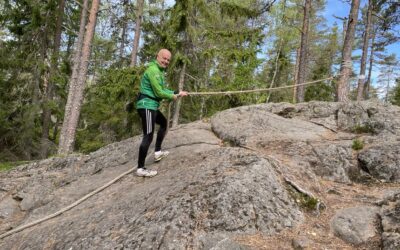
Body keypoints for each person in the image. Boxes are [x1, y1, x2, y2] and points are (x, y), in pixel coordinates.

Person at [135, 49, 188, 177]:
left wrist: (175, 92)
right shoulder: (153, 71)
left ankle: (157, 152)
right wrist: (173, 97)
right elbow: (159, 93)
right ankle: (140, 168)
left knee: (164, 123)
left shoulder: (159, 71)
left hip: (152, 105)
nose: (166, 61)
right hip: (146, 105)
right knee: (148, 135)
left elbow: (162, 89)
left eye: (168, 60)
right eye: (164, 58)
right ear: (157, 57)